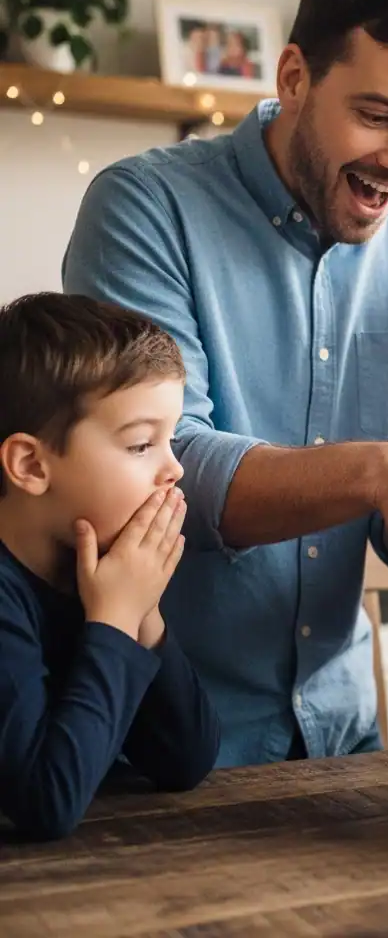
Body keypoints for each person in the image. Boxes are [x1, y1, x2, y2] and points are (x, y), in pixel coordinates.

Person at [62, 0, 388, 768]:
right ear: (292, 78)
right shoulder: (143, 206)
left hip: (342, 742)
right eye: (379, 114)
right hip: (150, 747)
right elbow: (164, 466)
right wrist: (380, 472)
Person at [0, 293, 220, 841]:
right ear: (31, 465)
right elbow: (46, 804)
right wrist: (115, 618)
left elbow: (185, 761)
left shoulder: (91, 571)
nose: (173, 468)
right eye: (142, 444)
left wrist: (142, 615)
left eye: (170, 440)